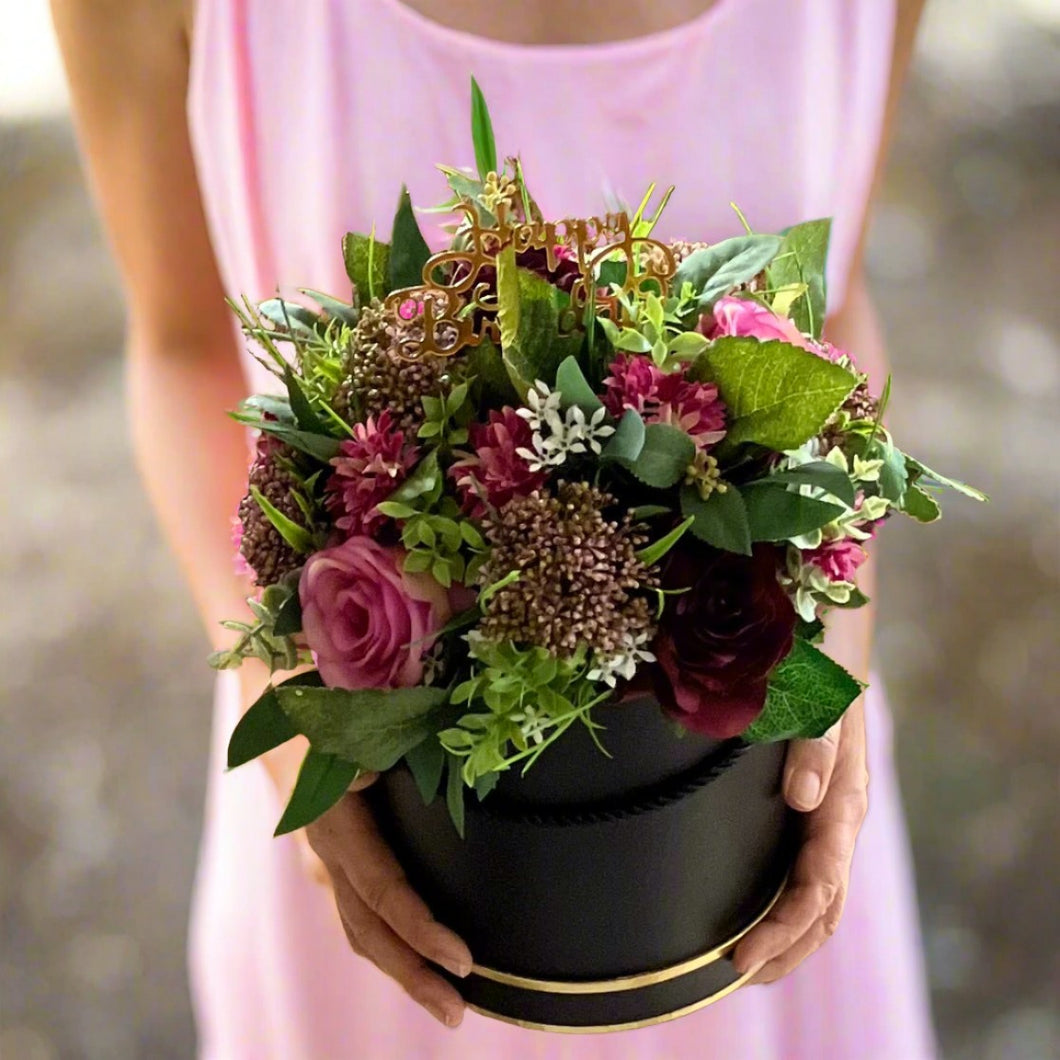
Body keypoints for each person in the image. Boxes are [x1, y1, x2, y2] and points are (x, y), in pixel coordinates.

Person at [52, 0, 937, 1056]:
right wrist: (286, 705)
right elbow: (181, 345)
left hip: (743, 834)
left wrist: (833, 663)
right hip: (384, 827)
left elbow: (827, 321)